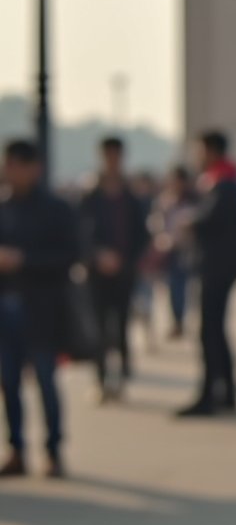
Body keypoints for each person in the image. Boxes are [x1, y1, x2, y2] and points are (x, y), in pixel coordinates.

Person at [0, 138, 78, 478]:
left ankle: (54, 450)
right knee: (9, 382)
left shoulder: (56, 210)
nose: (10, 171)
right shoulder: (3, 207)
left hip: (43, 308)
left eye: (17, 164)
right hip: (6, 308)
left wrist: (24, 260)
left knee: (46, 379)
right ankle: (16, 448)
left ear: (34, 168)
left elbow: (69, 257)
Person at [176, 130, 236, 418]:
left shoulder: (225, 183)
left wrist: (190, 221)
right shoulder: (223, 179)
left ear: (211, 151)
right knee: (215, 330)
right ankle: (226, 393)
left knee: (209, 330)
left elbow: (214, 219)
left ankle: (210, 395)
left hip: (218, 266)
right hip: (218, 265)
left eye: (200, 150)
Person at [78, 136, 150, 401]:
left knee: (120, 326)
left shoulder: (131, 196)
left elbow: (142, 235)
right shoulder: (90, 194)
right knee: (97, 327)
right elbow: (79, 233)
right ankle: (101, 379)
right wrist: (96, 256)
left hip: (125, 271)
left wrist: (127, 260)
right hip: (96, 272)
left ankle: (121, 377)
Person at [150, 165, 198, 338]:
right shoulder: (165, 201)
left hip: (185, 250)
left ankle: (180, 320)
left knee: (181, 286)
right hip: (167, 249)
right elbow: (156, 223)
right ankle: (176, 319)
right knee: (172, 287)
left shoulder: (193, 201)